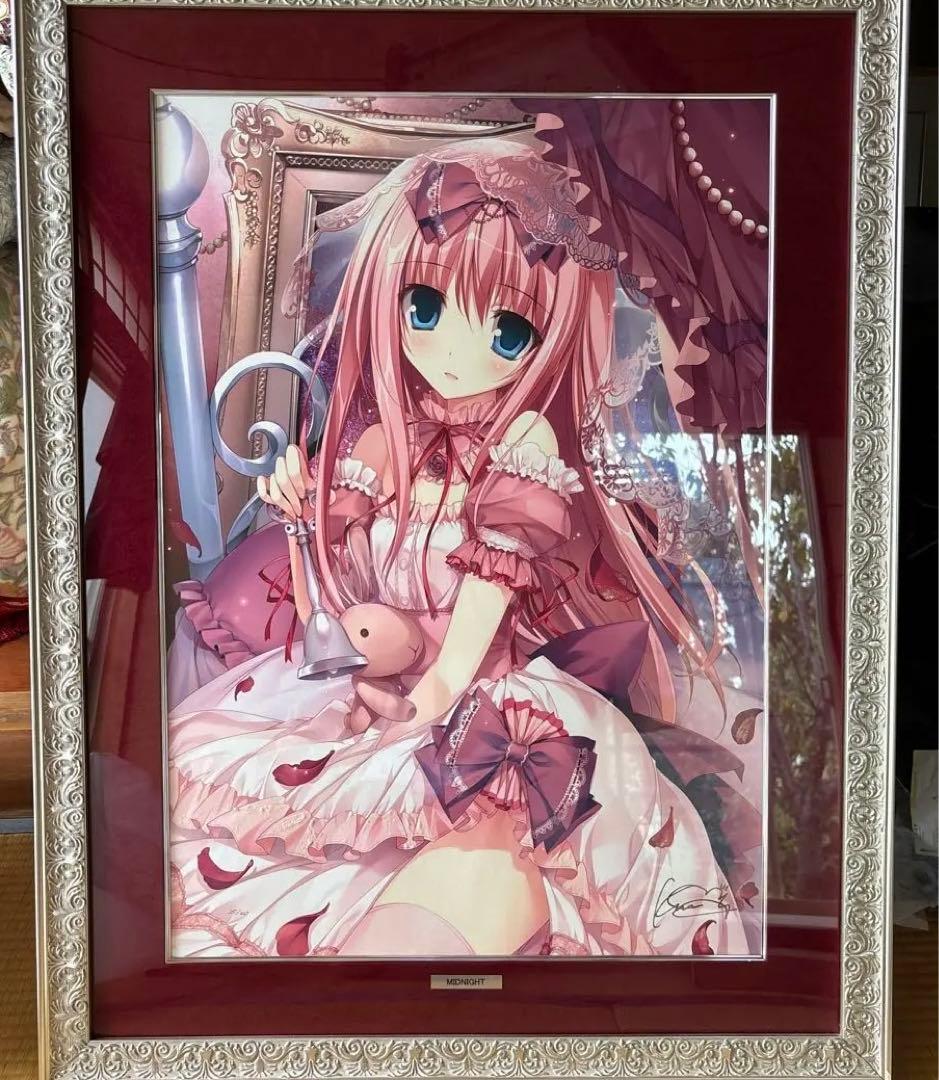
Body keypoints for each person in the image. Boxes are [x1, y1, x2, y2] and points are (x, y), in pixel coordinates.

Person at [168, 140, 753, 959]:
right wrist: (301, 525)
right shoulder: (380, 446)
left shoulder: (522, 451)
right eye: (423, 307)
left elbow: (462, 652)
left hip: (470, 698)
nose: (451, 352)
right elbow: (323, 614)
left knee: (483, 828)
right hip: (356, 683)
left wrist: (409, 714)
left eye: (508, 329)